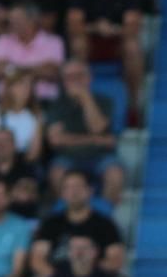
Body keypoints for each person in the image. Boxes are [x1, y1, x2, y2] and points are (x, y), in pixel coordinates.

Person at [65, 0, 146, 118]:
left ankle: (132, 106)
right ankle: (80, 102)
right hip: (90, 39)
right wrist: (96, 28)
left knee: (133, 48)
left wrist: (112, 30)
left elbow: (133, 26)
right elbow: (73, 24)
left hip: (118, 40)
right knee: (78, 44)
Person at [28, 167, 126, 277]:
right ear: (62, 193)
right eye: (68, 187)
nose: (73, 192)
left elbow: (115, 260)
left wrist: (87, 275)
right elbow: (37, 259)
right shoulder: (51, 223)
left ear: (90, 191)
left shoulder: (105, 224)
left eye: (78, 186)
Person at [45, 59, 124, 204]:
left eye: (79, 76)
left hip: (100, 156)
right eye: (69, 77)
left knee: (115, 175)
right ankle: (68, 213)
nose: (74, 81)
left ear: (89, 77)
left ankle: (104, 215)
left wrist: (86, 98)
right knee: (56, 173)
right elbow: (56, 140)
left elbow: (98, 128)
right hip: (69, 157)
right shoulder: (57, 105)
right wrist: (94, 140)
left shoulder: (104, 101)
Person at [0, 0, 64, 103]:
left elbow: (51, 72)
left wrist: (13, 69)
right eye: (10, 20)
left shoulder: (53, 41)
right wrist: (36, 70)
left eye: (17, 19)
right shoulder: (3, 39)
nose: (12, 24)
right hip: (5, 101)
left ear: (32, 20)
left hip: (43, 102)